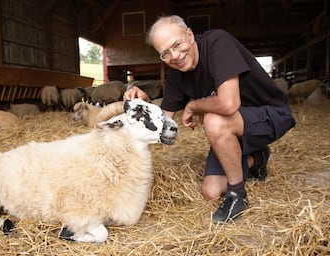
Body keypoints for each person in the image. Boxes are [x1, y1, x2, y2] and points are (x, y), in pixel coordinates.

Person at [123, 15, 296, 223]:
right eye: (165, 54)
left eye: (176, 45)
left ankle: (237, 196)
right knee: (211, 191)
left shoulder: (217, 43)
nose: (175, 56)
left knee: (214, 119)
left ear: (189, 35)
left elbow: (229, 103)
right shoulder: (177, 76)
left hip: (270, 114)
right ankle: (256, 159)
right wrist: (144, 104)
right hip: (233, 127)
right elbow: (163, 120)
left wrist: (194, 105)